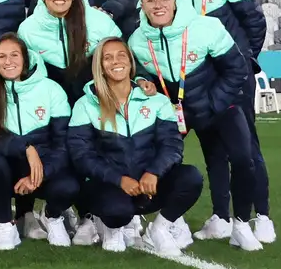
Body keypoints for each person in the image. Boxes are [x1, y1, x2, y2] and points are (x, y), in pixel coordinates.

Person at [129, 0, 264, 252]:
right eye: (150, 0)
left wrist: (212, 104)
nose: (158, 5)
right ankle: (166, 222)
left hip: (218, 105)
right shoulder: (138, 41)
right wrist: (142, 80)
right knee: (156, 161)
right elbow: (141, 72)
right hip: (178, 112)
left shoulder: (206, 27)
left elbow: (237, 69)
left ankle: (240, 224)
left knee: (243, 160)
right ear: (142, 4)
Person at [167, 0, 272, 241]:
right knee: (213, 150)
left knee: (247, 148)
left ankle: (262, 216)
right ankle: (220, 216)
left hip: (232, 76)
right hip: (198, 79)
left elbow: (254, 24)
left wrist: (243, 61)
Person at [67, 37, 201, 255]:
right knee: (117, 211)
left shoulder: (156, 100)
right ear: (99, 66)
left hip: (148, 184)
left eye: (121, 55)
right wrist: (119, 180)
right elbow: (81, 155)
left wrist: (154, 173)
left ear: (130, 62)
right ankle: (111, 228)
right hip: (110, 186)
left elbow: (172, 145)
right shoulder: (86, 105)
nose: (115, 61)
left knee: (191, 178)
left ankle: (158, 230)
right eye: (107, 58)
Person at [0, 33, 75, 249]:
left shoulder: (51, 89)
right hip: (6, 171)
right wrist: (26, 147)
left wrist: (40, 174)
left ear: (25, 59)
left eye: (14, 55)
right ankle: (5, 225)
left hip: (42, 168)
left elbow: (62, 144)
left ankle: (52, 216)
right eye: (1, 56)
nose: (8, 61)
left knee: (69, 186)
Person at [18, 0, 122, 103]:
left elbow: (125, 58)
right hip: (50, 103)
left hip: (96, 101)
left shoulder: (100, 22)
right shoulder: (27, 30)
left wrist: (142, 79)